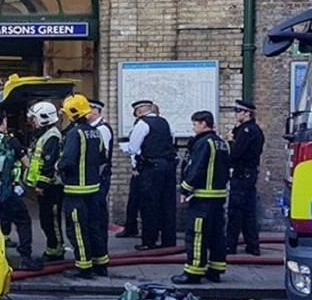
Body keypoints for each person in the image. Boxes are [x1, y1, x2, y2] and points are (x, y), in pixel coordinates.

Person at [0, 110, 41, 271]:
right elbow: (27, 164)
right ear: (4, 121)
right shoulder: (12, 142)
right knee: (23, 221)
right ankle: (25, 257)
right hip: (5, 191)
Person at [171, 110, 230, 284]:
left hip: (203, 198)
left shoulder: (204, 143)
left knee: (197, 235)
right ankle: (215, 270)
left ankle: (193, 272)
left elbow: (196, 168)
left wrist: (185, 189)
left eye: (195, 124)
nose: (193, 127)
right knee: (217, 235)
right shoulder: (222, 143)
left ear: (204, 123)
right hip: (218, 197)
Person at [58, 94, 108, 278]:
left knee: (78, 229)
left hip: (75, 192)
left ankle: (84, 267)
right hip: (93, 190)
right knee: (94, 227)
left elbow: (67, 161)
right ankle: (101, 264)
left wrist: (56, 166)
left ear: (72, 113)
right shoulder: (96, 132)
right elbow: (103, 159)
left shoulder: (74, 133)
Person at [125, 100, 178, 250]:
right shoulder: (165, 122)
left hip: (151, 168)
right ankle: (169, 240)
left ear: (140, 111)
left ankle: (149, 241)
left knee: (149, 205)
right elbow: (172, 140)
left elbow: (133, 148)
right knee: (167, 204)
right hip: (168, 167)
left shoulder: (142, 124)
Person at [24, 100, 65, 261]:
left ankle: (56, 250)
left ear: (43, 117)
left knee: (52, 220)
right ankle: (52, 247)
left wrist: (41, 184)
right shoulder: (44, 135)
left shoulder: (52, 137)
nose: (32, 122)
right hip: (46, 186)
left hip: (51, 187)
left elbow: (48, 163)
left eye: (34, 118)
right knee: (45, 220)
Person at [226, 99, 265, 256]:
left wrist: (230, 141)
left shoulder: (246, 131)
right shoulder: (253, 129)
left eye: (238, 111)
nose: (236, 114)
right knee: (249, 212)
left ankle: (230, 245)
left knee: (236, 212)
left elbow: (236, 153)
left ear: (247, 113)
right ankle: (253, 245)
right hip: (250, 174)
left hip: (241, 175)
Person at [87, 99, 114, 262]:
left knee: (98, 215)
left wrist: (95, 177)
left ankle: (100, 252)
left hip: (99, 178)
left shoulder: (102, 129)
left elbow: (101, 159)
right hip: (96, 177)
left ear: (95, 111)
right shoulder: (93, 129)